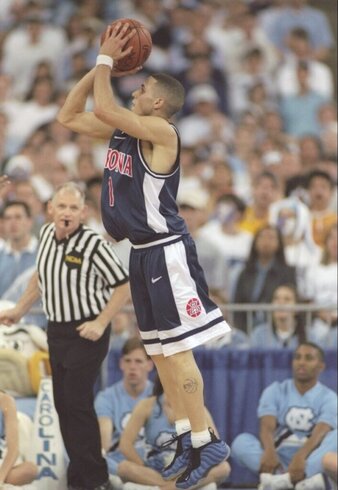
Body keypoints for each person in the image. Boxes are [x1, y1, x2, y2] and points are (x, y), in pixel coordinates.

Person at [57, 23, 231, 489]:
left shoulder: (160, 130)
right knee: (158, 355)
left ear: (157, 103)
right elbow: (69, 116)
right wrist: (97, 63)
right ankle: (184, 435)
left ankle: (206, 437)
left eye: (146, 86)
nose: (139, 86)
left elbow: (108, 105)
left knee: (177, 353)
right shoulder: (122, 133)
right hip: (142, 255)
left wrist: (106, 60)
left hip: (166, 251)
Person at [0, 182, 130, 490]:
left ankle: (96, 479)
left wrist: (101, 321)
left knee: (77, 401)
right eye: (62, 207)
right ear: (50, 210)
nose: (67, 213)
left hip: (87, 331)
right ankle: (81, 476)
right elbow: (40, 276)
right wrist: (19, 309)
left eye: (74, 208)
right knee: (62, 405)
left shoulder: (93, 244)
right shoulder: (45, 235)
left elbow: (123, 285)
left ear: (83, 213)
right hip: (56, 330)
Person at [231, 342, 338, 490]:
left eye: (308, 358)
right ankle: (289, 479)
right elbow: (266, 426)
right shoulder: (276, 390)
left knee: (336, 436)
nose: (301, 362)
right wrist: (269, 451)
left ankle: (287, 480)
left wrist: (301, 458)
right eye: (297, 357)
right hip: (277, 459)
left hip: (310, 459)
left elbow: (321, 432)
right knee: (240, 442)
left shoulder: (329, 397)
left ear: (321, 366)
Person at [117, 376, 231, 488]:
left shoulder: (199, 409)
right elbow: (125, 444)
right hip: (155, 469)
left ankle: (168, 487)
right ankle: (174, 487)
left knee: (224, 468)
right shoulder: (146, 405)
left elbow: (216, 450)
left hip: (187, 470)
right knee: (124, 467)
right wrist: (143, 467)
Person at [94, 337, 154, 475]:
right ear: (121, 364)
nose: (132, 367)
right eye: (128, 361)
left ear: (150, 365)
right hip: (118, 466)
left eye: (138, 361)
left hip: (152, 461)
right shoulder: (106, 398)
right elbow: (104, 440)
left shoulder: (160, 397)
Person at [250, 284, 306, 349]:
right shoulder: (258, 334)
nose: (281, 303)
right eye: (276, 299)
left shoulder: (310, 336)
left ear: (297, 308)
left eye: (287, 299)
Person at [0, 391, 38, 487]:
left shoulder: (5, 401)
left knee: (30, 470)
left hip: (2, 460)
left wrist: (1, 478)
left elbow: (13, 450)